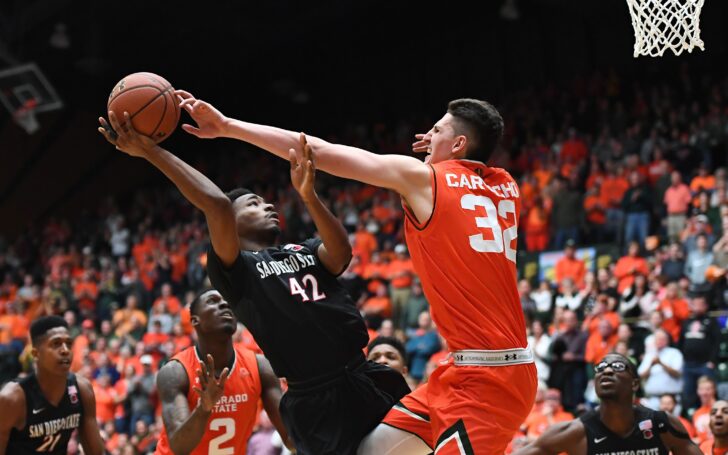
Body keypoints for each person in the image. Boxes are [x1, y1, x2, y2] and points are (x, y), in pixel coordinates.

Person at [175, 89, 537, 454]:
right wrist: (445, 146)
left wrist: (227, 126)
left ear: (458, 143)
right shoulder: (505, 185)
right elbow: (470, 163)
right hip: (467, 369)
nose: (428, 136)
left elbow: (317, 151)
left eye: (436, 130)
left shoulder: (424, 178)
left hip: (491, 379)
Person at [98, 113, 409, 454]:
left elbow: (340, 255)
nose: (268, 205)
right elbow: (215, 204)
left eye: (265, 201)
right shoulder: (236, 270)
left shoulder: (301, 248)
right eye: (254, 203)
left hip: (363, 372)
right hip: (316, 397)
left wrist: (309, 197)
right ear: (231, 221)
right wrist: (151, 151)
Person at [154, 289, 291, 454]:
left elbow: (291, 439)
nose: (225, 303)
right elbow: (179, 447)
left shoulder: (260, 367)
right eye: (213, 301)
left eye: (227, 300)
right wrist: (204, 409)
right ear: (195, 321)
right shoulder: (175, 372)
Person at [514, 353, 702, 454]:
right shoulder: (575, 433)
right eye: (601, 368)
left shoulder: (662, 425)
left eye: (618, 366)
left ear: (635, 383)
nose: (607, 370)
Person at [0, 315, 105, 454]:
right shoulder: (13, 398)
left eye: (68, 343)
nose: (65, 350)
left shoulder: (82, 390)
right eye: (56, 344)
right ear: (36, 354)